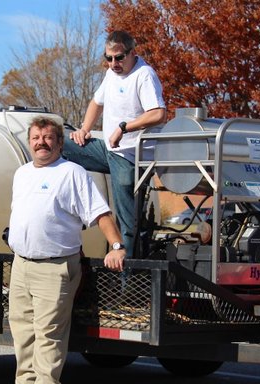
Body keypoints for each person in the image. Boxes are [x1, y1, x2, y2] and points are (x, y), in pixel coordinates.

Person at [8, 116, 126, 383]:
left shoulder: (72, 172)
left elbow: (100, 213)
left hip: (55, 267)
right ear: (29, 143)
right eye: (36, 138)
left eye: (48, 138)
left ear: (60, 143)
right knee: (22, 334)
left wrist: (117, 246)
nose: (41, 143)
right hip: (21, 265)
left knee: (48, 336)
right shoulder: (22, 173)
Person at [63, 30, 166, 259]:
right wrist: (84, 130)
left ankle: (128, 284)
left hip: (130, 156)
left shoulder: (144, 75)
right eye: (108, 58)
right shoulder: (111, 74)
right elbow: (96, 103)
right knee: (58, 140)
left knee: (127, 221)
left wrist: (124, 127)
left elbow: (159, 113)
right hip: (108, 149)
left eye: (119, 57)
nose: (113, 63)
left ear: (132, 52)